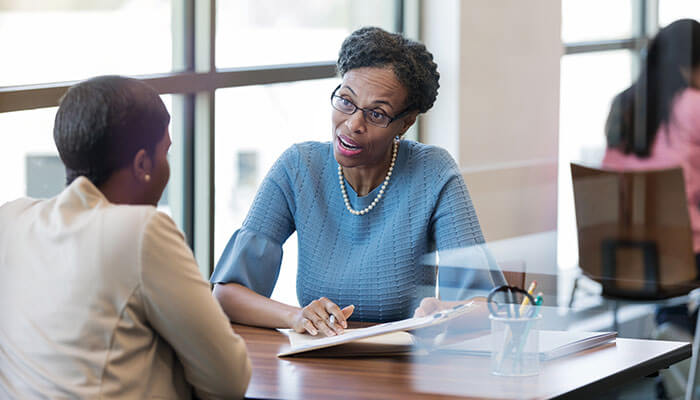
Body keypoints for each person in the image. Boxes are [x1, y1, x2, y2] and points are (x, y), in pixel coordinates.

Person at [211, 26, 505, 337]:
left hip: (401, 371)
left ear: (405, 123)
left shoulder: (433, 173)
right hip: (316, 367)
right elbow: (227, 294)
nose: (353, 124)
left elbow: (490, 306)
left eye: (377, 114)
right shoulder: (298, 167)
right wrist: (297, 317)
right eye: (346, 101)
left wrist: (445, 312)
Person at [0, 76, 251, 399]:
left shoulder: (10, 219)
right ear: (143, 163)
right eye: (166, 153)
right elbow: (228, 380)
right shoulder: (142, 230)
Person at [602, 19, 700, 398]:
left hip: (615, 261)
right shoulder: (692, 107)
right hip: (680, 261)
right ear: (686, 65)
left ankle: (674, 335)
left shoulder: (624, 104)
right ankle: (678, 336)